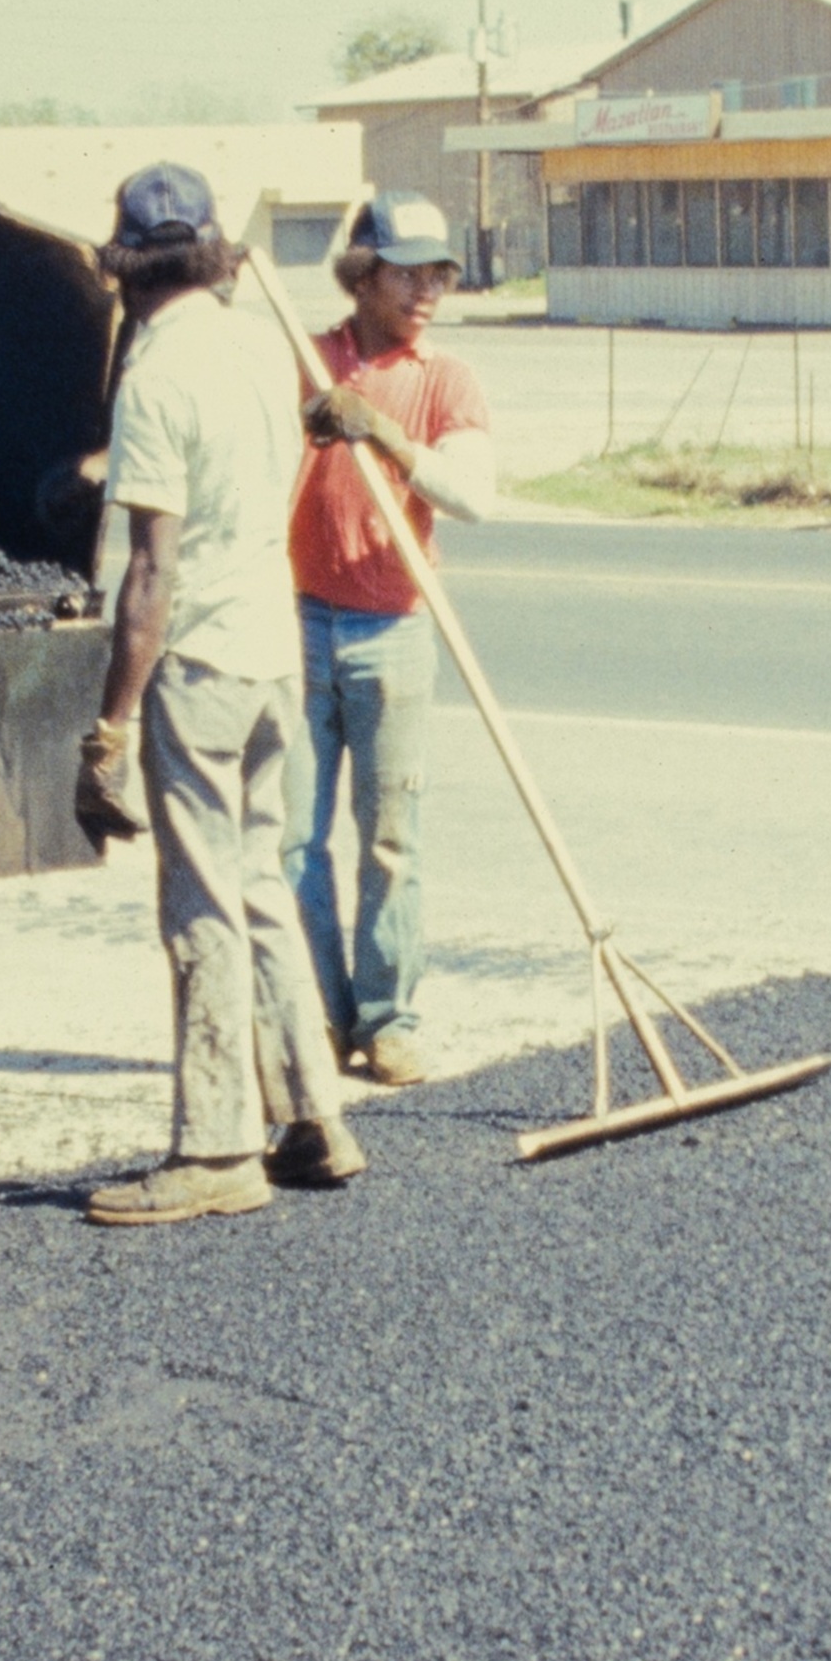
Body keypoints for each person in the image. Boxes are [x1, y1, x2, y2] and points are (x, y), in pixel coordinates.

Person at [75, 163, 361, 1223]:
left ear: (127, 270)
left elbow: (151, 574)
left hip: (197, 665)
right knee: (259, 885)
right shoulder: (252, 349)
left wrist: (108, 725)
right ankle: (314, 1118)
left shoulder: (153, 377)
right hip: (274, 654)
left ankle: (214, 1150)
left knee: (200, 901)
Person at [285, 189, 494, 1085]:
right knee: (292, 839)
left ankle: (389, 1018)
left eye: (438, 272)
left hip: (394, 629)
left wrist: (389, 439)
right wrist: (312, 415)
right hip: (296, 622)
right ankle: (317, 1018)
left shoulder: (445, 378)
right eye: (407, 271)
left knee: (390, 835)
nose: (427, 289)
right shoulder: (307, 358)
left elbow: (475, 497)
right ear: (362, 275)